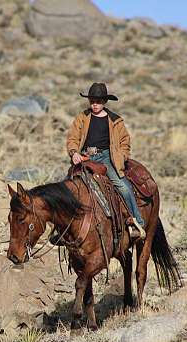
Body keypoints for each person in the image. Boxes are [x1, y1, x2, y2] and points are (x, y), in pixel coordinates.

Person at [66, 82, 146, 239]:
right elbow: (73, 137)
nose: (95, 105)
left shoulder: (116, 121)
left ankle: (137, 222)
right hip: (85, 157)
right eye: (92, 101)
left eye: (98, 101)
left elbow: (125, 143)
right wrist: (74, 152)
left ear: (104, 101)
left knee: (123, 187)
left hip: (106, 158)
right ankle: (64, 229)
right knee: (66, 187)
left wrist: (121, 157)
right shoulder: (82, 117)